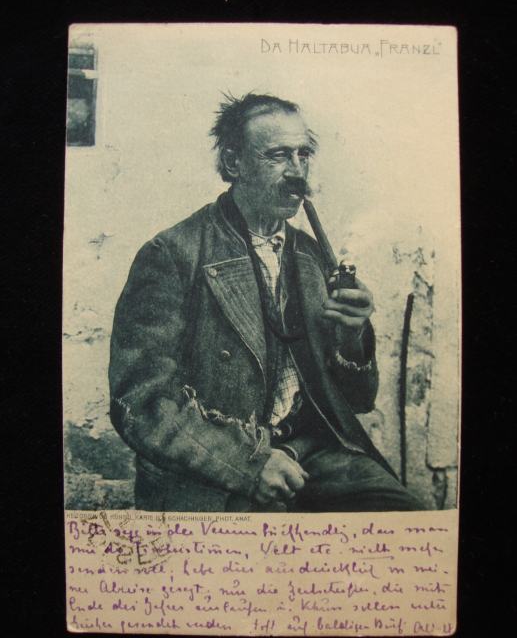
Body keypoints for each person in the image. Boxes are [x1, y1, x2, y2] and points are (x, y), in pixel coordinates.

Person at [109, 93, 424, 512]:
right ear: (234, 163)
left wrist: (352, 336)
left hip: (310, 452)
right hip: (220, 468)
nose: (297, 172)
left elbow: (358, 401)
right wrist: (249, 465)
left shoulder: (311, 255)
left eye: (303, 154)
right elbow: (142, 404)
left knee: (407, 517)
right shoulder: (173, 254)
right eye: (278, 155)